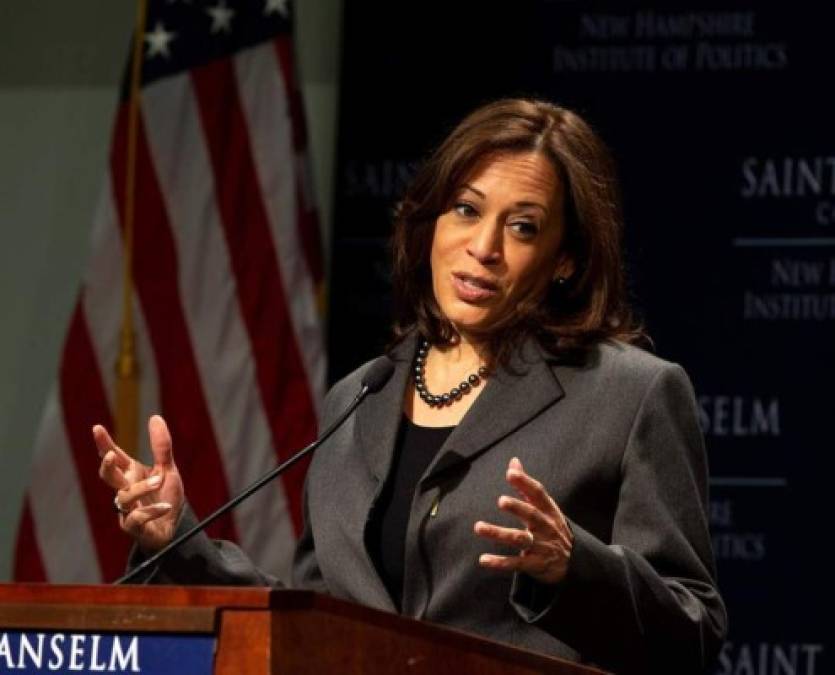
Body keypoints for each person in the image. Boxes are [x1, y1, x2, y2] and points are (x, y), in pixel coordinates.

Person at [94, 98, 727, 674]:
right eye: (467, 210)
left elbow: (694, 633)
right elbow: (320, 621)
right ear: (431, 223)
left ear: (566, 259)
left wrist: (574, 568)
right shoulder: (357, 398)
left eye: (524, 227)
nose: (484, 247)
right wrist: (176, 538)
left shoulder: (629, 394)